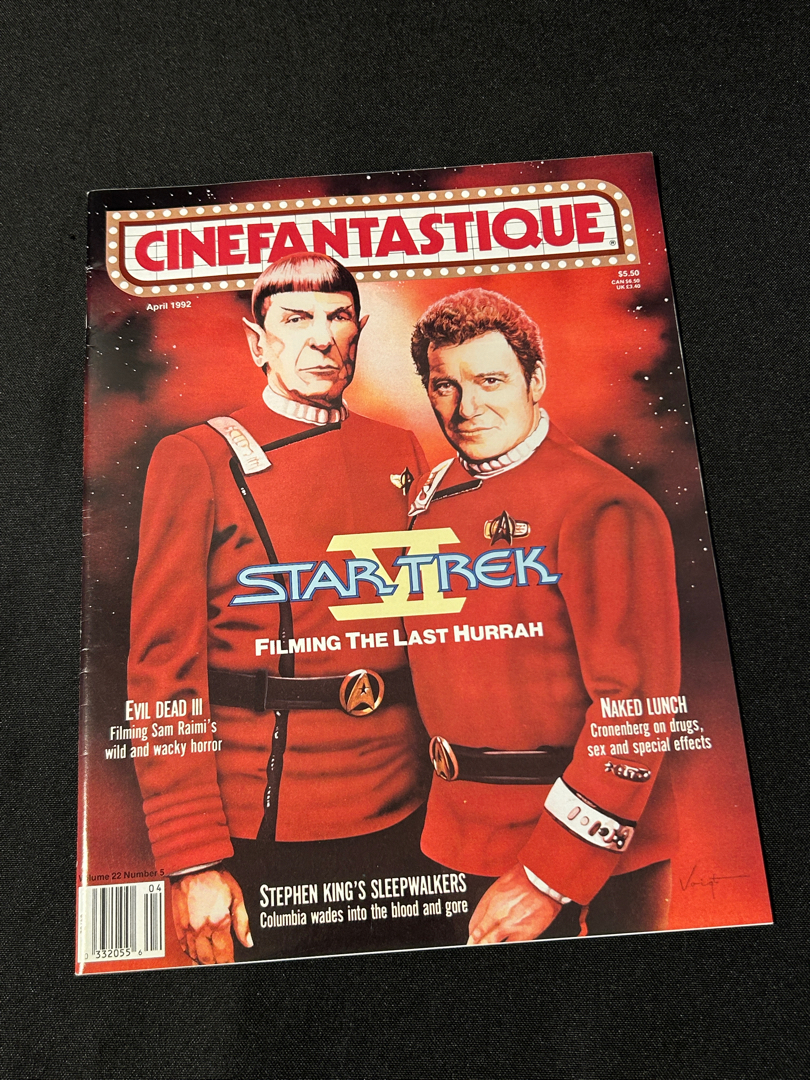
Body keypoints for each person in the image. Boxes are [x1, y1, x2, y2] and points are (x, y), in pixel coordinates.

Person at [128, 253, 445, 964]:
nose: (322, 338)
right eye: (297, 319)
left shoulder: (399, 447)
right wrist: (193, 858)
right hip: (263, 824)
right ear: (258, 342)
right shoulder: (196, 457)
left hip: (410, 812)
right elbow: (161, 671)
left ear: (359, 332)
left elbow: (435, 633)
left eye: (338, 318)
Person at [405, 288, 681, 943]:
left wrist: (549, 875)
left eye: (490, 380)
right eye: (445, 386)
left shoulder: (603, 504)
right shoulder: (430, 498)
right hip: (454, 835)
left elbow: (636, 711)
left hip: (576, 862)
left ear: (536, 381)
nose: (467, 408)